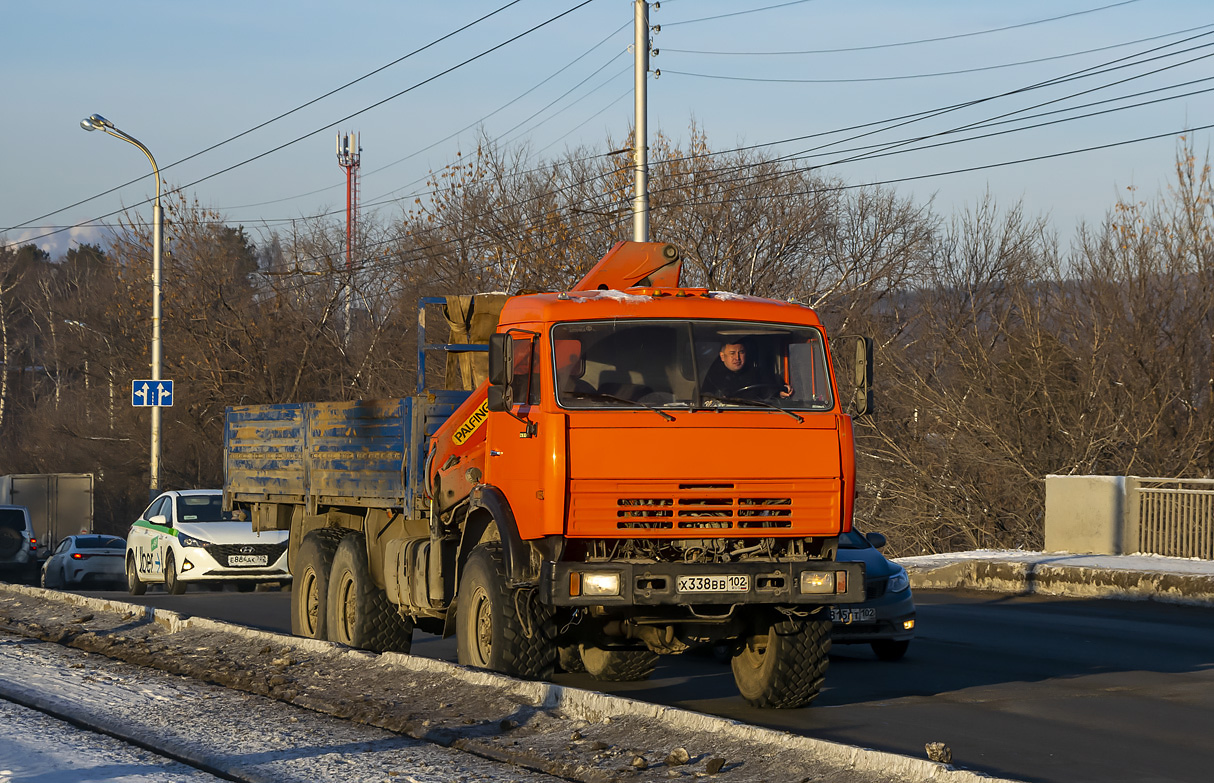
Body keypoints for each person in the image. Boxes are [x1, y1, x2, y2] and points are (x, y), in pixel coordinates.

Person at [702, 341, 791, 400]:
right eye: (732, 353)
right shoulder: (711, 377)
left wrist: (779, 392)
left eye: (741, 352)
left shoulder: (757, 374)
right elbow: (704, 401)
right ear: (722, 356)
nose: (737, 358)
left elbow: (769, 391)